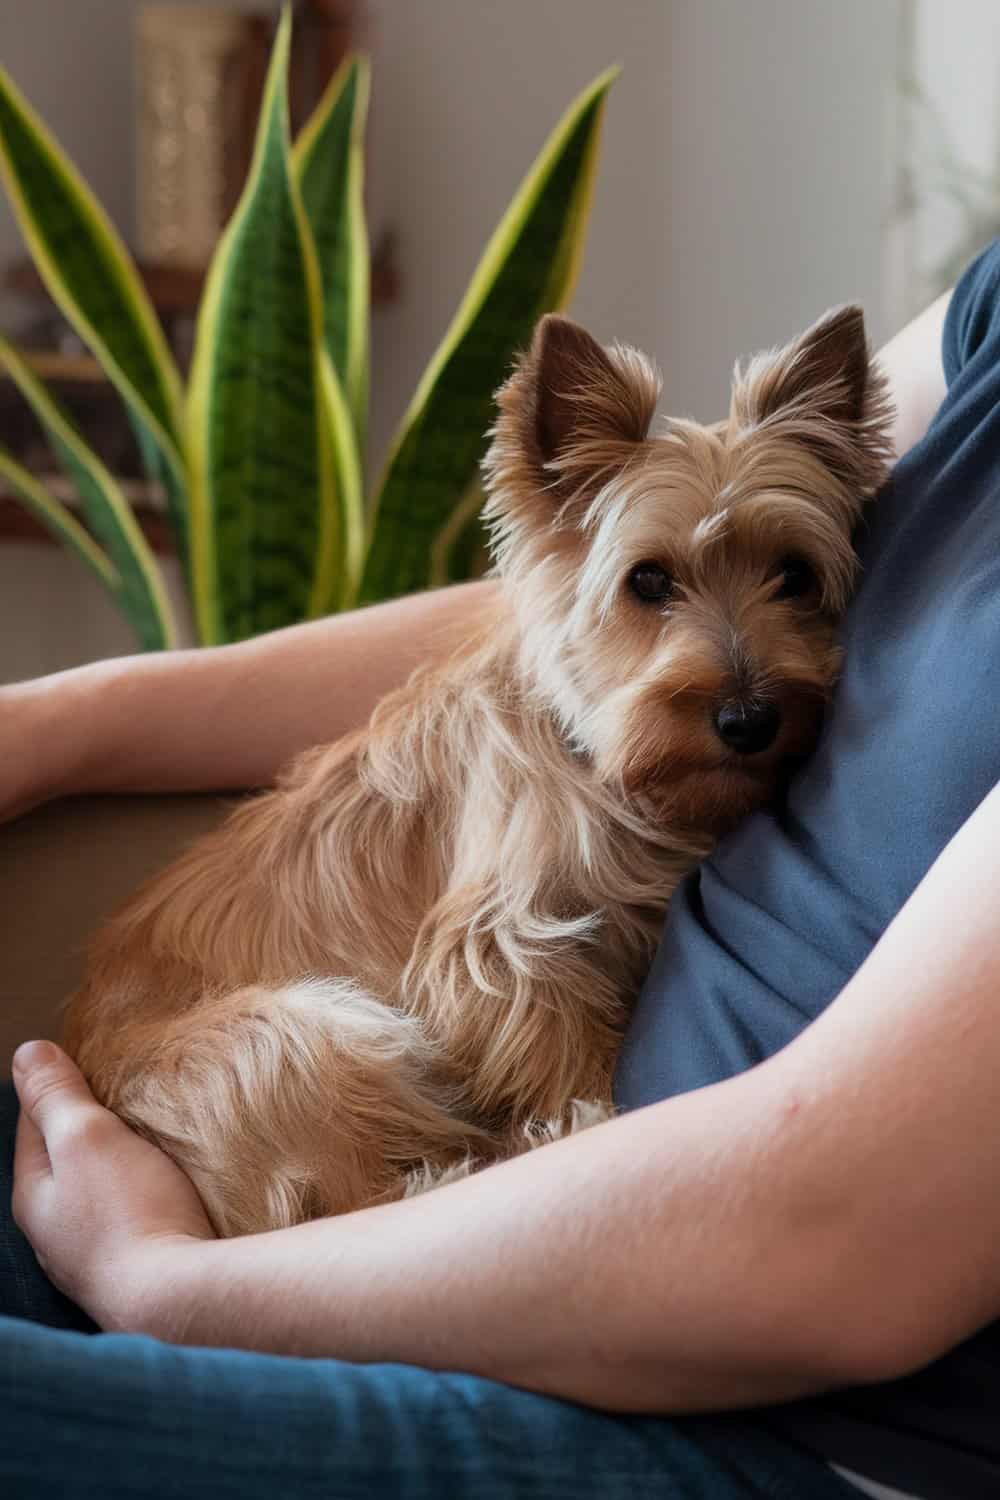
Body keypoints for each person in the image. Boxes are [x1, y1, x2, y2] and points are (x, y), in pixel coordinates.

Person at [2, 240, 999, 1500]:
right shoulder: (981, 326)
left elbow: (837, 1247)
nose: (745, 668)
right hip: (232, 1140)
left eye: (791, 580)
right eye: (654, 586)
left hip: (719, 1385)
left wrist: (158, 1285)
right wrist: (52, 722)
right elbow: (509, 647)